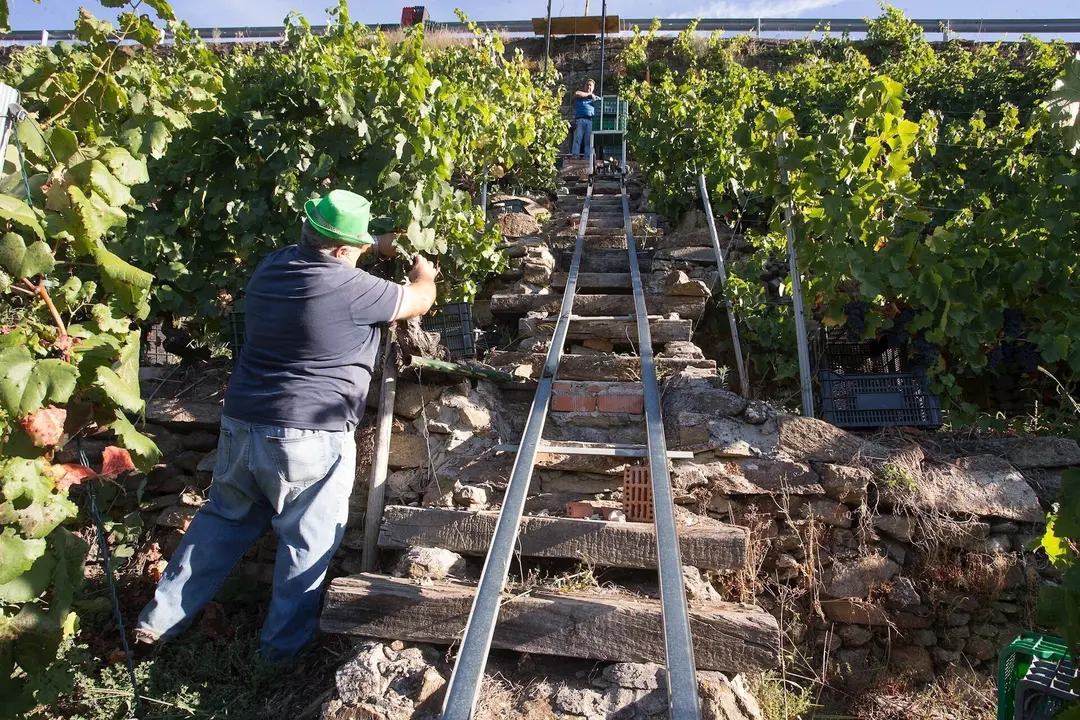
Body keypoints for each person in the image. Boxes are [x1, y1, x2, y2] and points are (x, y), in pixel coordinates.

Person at [134, 189, 438, 661]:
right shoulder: (355, 290)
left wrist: (380, 245)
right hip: (310, 437)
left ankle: (157, 624)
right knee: (307, 544)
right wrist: (424, 270)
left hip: (243, 423)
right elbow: (420, 298)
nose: (360, 255)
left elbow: (341, 252)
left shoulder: (272, 267)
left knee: (220, 524)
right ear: (341, 250)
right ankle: (279, 658)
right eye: (355, 248)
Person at [571, 78, 599, 160]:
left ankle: (587, 157)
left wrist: (593, 98)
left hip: (590, 120)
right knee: (577, 139)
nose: (589, 87)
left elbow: (601, 104)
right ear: (584, 86)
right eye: (587, 85)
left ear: (593, 88)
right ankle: (575, 155)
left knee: (588, 141)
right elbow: (576, 93)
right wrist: (588, 95)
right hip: (579, 119)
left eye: (591, 85)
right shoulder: (579, 95)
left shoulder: (595, 98)